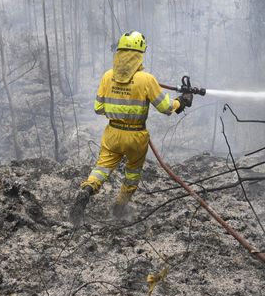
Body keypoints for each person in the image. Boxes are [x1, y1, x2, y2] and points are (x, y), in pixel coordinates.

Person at [69, 31, 192, 226]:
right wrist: (182, 102)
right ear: (139, 54)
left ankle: (88, 188)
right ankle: (119, 206)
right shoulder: (147, 79)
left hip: (112, 134)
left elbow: (98, 108)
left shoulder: (107, 76)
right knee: (132, 173)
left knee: (102, 168)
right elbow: (167, 108)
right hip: (136, 136)